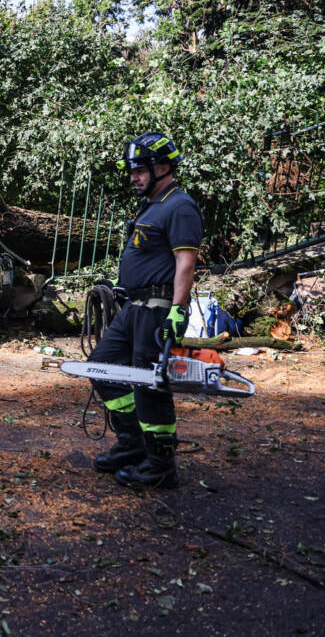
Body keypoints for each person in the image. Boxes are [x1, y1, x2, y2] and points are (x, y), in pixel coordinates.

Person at [88, 132, 203, 489]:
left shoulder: (179, 206)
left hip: (157, 309)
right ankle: (134, 444)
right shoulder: (153, 205)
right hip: (131, 308)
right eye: (132, 171)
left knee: (149, 385)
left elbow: (186, 262)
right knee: (102, 368)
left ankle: (161, 465)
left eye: (140, 170)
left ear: (163, 167)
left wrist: (177, 312)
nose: (134, 177)